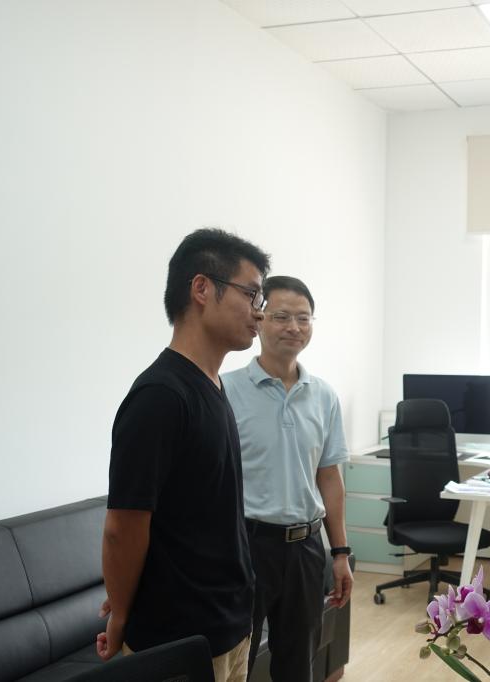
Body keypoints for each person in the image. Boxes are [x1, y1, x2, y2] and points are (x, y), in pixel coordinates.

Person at [98, 228, 271, 682]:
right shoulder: (160, 395)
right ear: (201, 289)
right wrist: (120, 615)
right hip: (180, 640)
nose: (259, 311)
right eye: (251, 293)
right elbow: (122, 528)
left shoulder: (213, 385)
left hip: (230, 626)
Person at [221, 275, 353, 682]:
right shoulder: (225, 390)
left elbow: (328, 477)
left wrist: (340, 552)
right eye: (281, 317)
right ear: (258, 319)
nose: (294, 327)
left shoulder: (324, 395)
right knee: (234, 662)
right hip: (245, 546)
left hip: (305, 549)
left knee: (298, 665)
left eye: (303, 318)